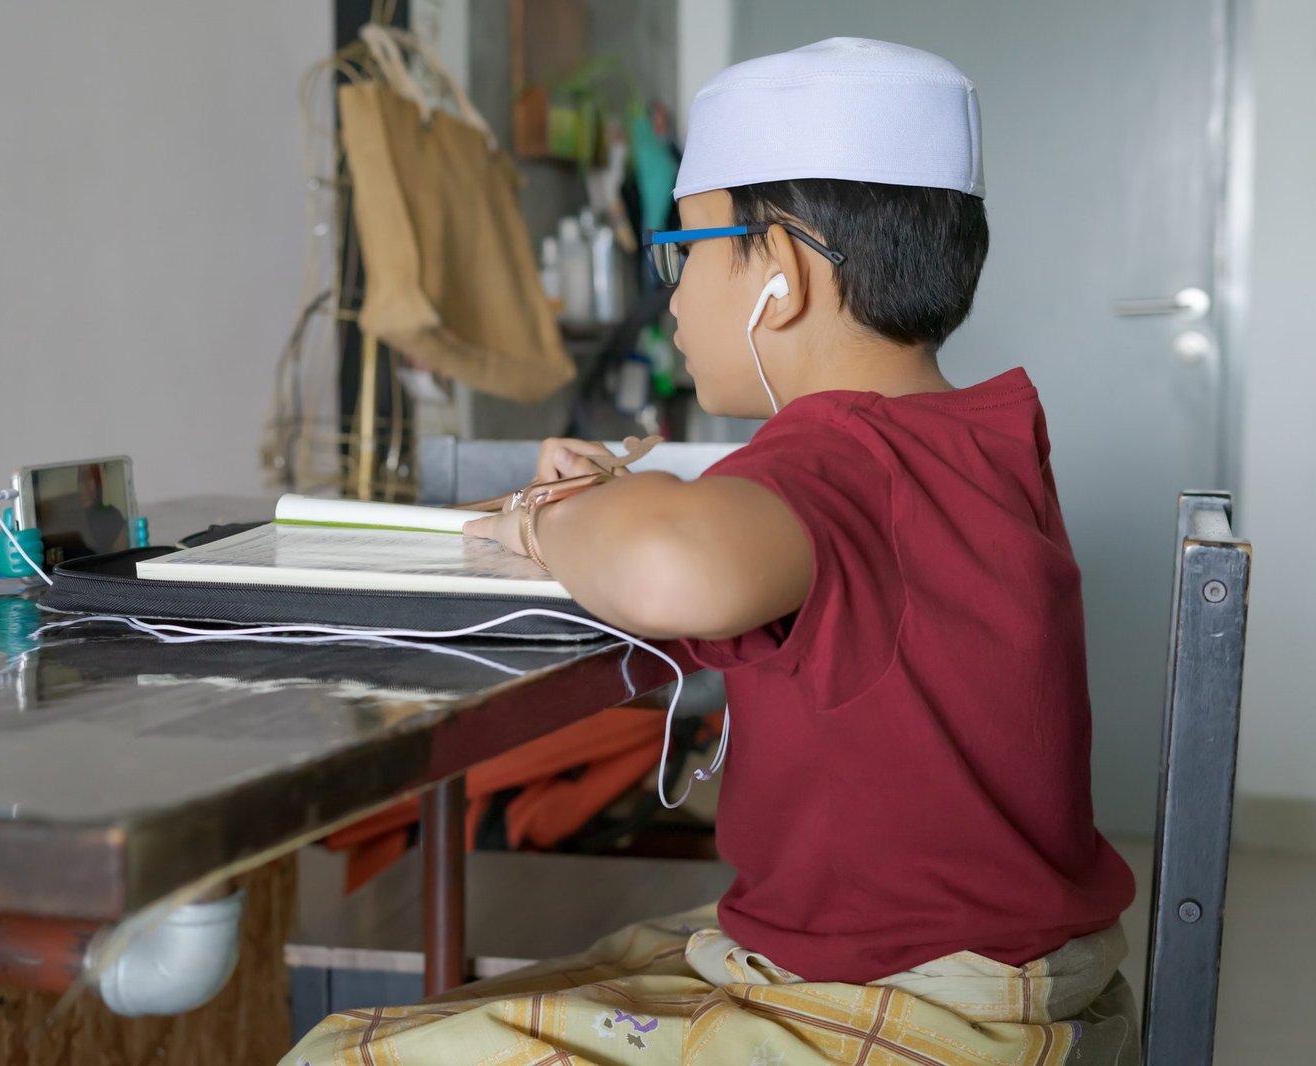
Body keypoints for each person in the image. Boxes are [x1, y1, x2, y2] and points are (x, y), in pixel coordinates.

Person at [284, 37, 1137, 1065]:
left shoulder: (837, 451)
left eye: (685, 249)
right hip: (1019, 982)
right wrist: (617, 503)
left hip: (901, 1010)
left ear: (776, 271)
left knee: (339, 1052)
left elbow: (669, 566)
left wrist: (549, 520)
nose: (675, 292)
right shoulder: (979, 436)